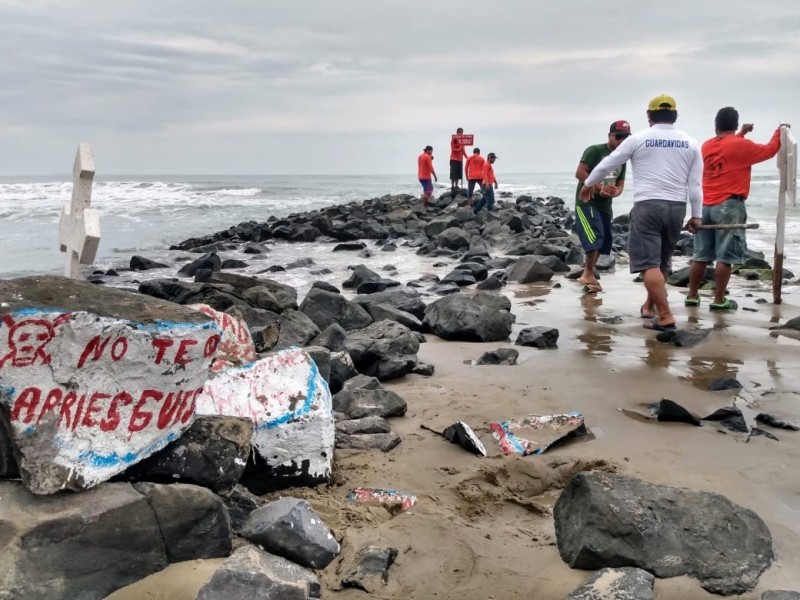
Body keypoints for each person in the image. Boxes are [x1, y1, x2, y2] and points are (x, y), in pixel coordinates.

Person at [580, 94, 703, 331]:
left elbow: (608, 164)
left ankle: (665, 316)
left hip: (648, 206)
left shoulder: (638, 139)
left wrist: (588, 185)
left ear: (649, 116)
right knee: (662, 262)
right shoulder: (690, 143)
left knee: (648, 264)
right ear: (675, 116)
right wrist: (696, 215)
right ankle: (650, 307)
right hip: (677, 206)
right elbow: (695, 185)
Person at [685, 108, 782, 310]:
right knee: (725, 256)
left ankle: (692, 296)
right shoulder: (741, 146)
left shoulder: (707, 146)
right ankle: (719, 300)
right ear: (735, 125)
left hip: (705, 206)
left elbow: (727, 150)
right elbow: (770, 150)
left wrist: (741, 134)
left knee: (700, 254)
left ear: (716, 125)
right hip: (729, 205)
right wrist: (779, 131)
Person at [574, 120, 631, 292]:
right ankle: (588, 273)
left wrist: (616, 192)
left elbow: (620, 183)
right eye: (619, 137)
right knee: (594, 237)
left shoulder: (623, 159)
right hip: (587, 202)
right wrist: (600, 188)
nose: (622, 141)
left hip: (605, 205)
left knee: (605, 241)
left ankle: (588, 271)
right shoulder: (595, 151)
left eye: (626, 138)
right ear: (610, 136)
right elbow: (580, 173)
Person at [450, 127, 468, 194]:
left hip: (460, 159)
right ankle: (452, 186)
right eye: (459, 132)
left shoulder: (462, 142)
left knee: (458, 173)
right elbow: (453, 149)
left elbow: (463, 151)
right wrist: (459, 149)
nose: (461, 134)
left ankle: (457, 185)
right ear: (457, 133)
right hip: (453, 159)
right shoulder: (453, 140)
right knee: (453, 173)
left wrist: (467, 158)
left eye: (462, 132)